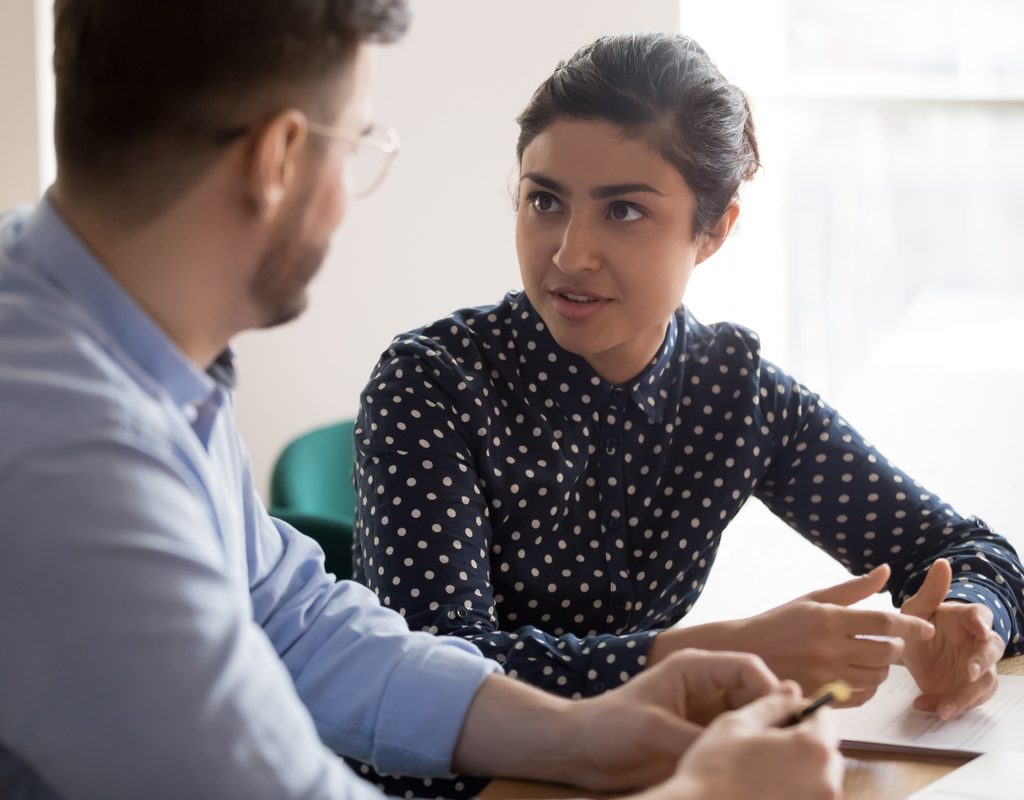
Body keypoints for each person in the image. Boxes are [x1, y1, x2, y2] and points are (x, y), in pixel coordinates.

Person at [0, 3, 845, 800]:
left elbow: (294, 623)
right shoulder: (69, 459)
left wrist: (585, 730)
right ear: (280, 158)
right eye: (358, 142)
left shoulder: (115, 348)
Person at [354, 31, 1021, 720]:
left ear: (714, 231)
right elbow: (430, 673)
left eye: (624, 210)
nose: (571, 254)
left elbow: (967, 550)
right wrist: (725, 659)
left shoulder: (735, 394)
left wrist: (970, 624)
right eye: (545, 201)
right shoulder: (431, 384)